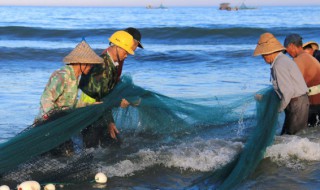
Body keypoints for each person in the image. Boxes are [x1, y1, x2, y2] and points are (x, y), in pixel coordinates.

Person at [78, 28, 144, 148]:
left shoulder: (113, 62)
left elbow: (106, 93)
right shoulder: (102, 66)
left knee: (112, 145)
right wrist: (117, 105)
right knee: (90, 150)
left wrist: (110, 120)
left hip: (99, 110)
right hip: (89, 111)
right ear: (117, 47)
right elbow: (100, 97)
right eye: (126, 52)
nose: (127, 56)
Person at [35, 40, 104, 123]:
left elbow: (72, 104)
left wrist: (89, 105)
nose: (92, 66)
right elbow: (46, 99)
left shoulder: (75, 78)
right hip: (47, 122)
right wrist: (51, 117)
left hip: (62, 120)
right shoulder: (62, 75)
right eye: (90, 64)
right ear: (81, 63)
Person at [254, 32, 309, 135]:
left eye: (262, 55)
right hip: (297, 102)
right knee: (289, 137)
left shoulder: (279, 64)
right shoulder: (282, 60)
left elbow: (288, 91)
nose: (263, 58)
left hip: (297, 103)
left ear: (268, 53)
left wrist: (277, 109)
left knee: (291, 138)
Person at [284, 34, 320, 126]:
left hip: (314, 105)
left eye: (286, 49)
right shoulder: (310, 57)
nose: (287, 53)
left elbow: (291, 85)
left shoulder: (298, 60)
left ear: (292, 46)